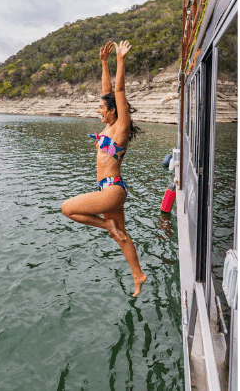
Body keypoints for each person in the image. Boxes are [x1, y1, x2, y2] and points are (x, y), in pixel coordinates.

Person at [61, 40, 148, 297]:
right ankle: (138, 275)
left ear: (112, 111)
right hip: (108, 189)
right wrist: (103, 62)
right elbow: (108, 91)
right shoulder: (108, 127)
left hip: (112, 189)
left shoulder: (120, 128)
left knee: (68, 209)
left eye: (101, 108)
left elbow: (118, 93)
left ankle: (106, 227)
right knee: (121, 235)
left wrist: (120, 60)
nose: (98, 111)